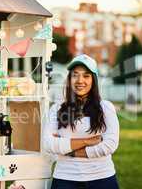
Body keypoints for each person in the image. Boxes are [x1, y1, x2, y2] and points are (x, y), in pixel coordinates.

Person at [43, 54, 120, 189]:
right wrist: (86, 141)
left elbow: (110, 145)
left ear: (93, 80)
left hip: (102, 177)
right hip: (65, 178)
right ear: (69, 79)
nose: (80, 80)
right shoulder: (57, 109)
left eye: (86, 76)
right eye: (75, 75)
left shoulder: (106, 107)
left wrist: (70, 151)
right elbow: (48, 144)